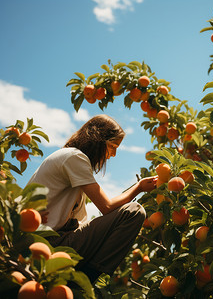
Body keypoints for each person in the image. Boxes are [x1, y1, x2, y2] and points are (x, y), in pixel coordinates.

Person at [27, 114, 156, 284]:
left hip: (44, 242)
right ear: (97, 139)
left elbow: (82, 223)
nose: (114, 154)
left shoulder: (68, 161)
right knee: (134, 212)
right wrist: (139, 187)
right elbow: (107, 207)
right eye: (112, 146)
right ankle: (86, 279)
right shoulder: (74, 157)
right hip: (46, 244)